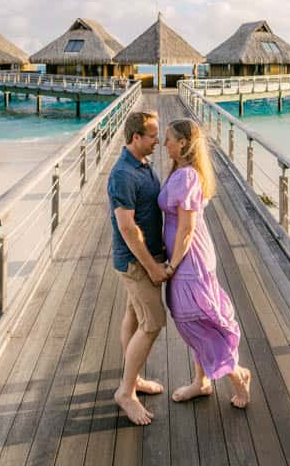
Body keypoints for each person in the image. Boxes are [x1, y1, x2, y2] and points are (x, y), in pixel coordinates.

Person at [159, 118, 251, 408]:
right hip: (188, 256)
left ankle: (237, 378)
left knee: (196, 321)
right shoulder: (182, 171)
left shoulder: (187, 176)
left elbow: (186, 228)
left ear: (183, 143)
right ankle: (202, 381)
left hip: (189, 259)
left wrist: (172, 265)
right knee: (198, 320)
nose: (165, 144)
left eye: (169, 139)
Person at [108, 110, 169, 425]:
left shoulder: (142, 165)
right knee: (153, 323)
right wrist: (153, 268)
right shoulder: (123, 174)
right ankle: (126, 392)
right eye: (153, 135)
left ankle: (134, 378)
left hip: (144, 257)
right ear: (136, 138)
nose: (158, 140)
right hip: (136, 262)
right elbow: (128, 229)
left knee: (133, 315)